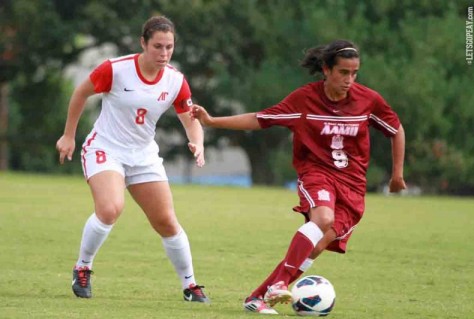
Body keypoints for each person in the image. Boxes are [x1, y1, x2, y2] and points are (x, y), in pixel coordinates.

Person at [191, 39, 406, 314]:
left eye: (354, 73)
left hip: (353, 185)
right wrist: (211, 122)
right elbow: (261, 119)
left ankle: (257, 298)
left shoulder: (368, 100)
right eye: (343, 72)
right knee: (323, 218)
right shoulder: (305, 99)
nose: (349, 79)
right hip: (317, 173)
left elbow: (396, 129)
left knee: (316, 247)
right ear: (327, 70)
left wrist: (397, 174)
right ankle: (280, 283)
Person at [56, 15, 210, 303]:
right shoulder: (116, 70)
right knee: (111, 208)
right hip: (106, 148)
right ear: (143, 43)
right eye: (158, 46)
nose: (164, 54)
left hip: (142, 155)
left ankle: (190, 286)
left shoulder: (176, 81)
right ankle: (83, 267)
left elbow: (190, 120)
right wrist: (68, 136)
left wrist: (197, 142)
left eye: (169, 47)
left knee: (166, 220)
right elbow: (80, 93)